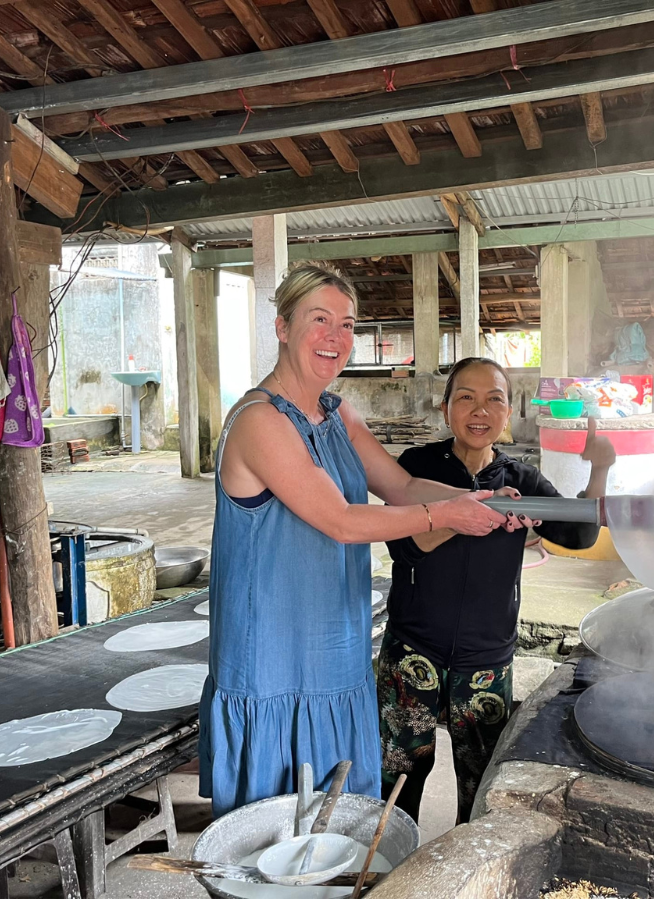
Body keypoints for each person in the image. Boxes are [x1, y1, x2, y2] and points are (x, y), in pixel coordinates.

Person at [199, 265, 526, 818]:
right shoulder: (259, 421)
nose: (336, 337)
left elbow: (401, 486)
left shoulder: (336, 414)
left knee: (335, 824)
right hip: (275, 655)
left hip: (334, 646)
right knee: (272, 831)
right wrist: (446, 514)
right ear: (282, 326)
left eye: (347, 324)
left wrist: (481, 501)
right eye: (319, 320)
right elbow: (342, 521)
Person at [378, 358, 617, 824]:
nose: (480, 410)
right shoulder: (415, 468)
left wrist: (601, 468)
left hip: (486, 658)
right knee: (400, 775)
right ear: (445, 408)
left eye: (495, 399)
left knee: (481, 782)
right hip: (412, 650)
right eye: (466, 397)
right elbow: (404, 549)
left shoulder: (521, 480)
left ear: (508, 412)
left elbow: (579, 535)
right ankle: (390, 861)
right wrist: (467, 514)